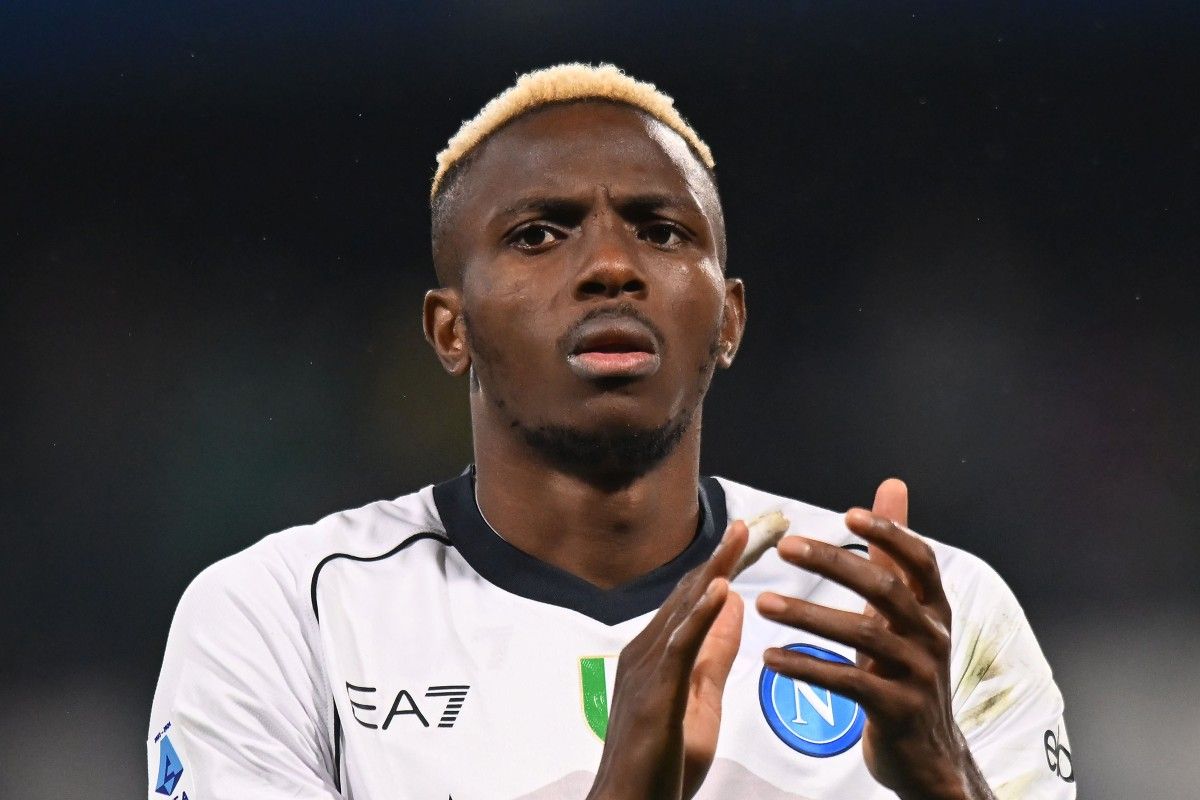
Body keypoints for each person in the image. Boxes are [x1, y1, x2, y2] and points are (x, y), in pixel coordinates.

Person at [147, 63, 1075, 800]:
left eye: (661, 231)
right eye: (539, 234)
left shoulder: (926, 616)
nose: (610, 267)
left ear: (729, 320)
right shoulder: (285, 618)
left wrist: (944, 778)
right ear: (449, 329)